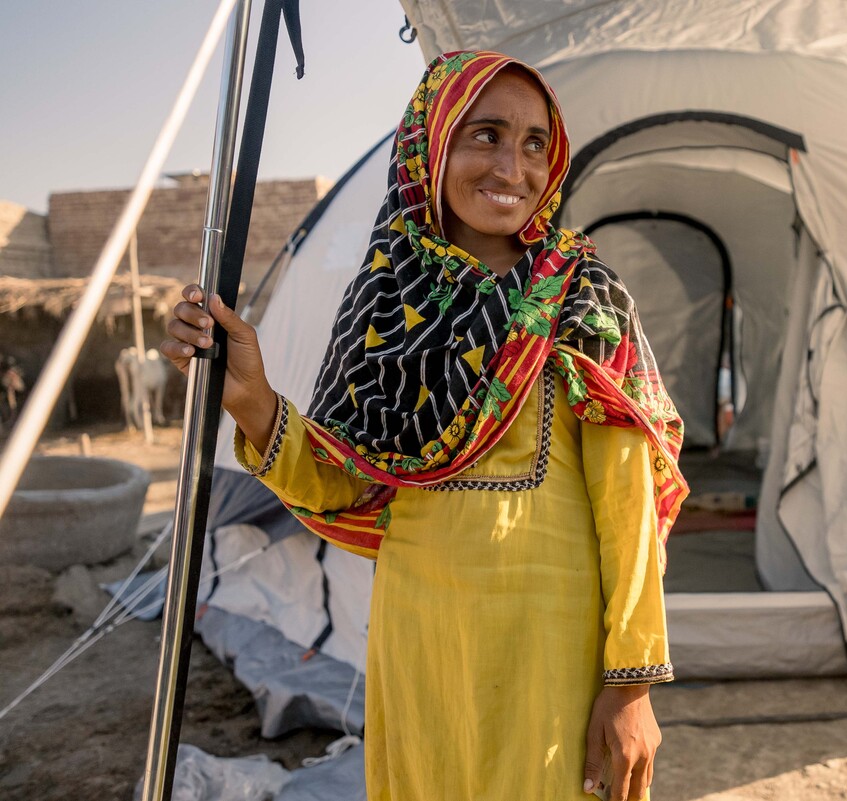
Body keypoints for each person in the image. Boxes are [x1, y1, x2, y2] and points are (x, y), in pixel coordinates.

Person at [163, 50, 688, 801]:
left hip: (550, 641)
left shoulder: (580, 294)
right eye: (486, 135)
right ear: (430, 145)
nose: (514, 166)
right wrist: (252, 398)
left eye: (535, 142)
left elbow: (628, 505)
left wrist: (630, 680)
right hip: (418, 635)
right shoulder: (383, 305)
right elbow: (339, 483)